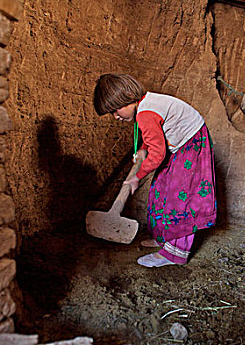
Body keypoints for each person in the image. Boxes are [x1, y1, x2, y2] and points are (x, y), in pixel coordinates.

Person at [93, 73, 217, 267]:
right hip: (179, 145)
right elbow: (154, 137)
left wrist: (137, 177)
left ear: (126, 100)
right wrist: (143, 150)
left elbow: (158, 154)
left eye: (115, 110)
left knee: (179, 197)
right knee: (160, 189)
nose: (115, 117)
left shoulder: (145, 113)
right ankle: (164, 239)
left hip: (192, 144)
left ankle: (175, 254)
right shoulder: (144, 106)